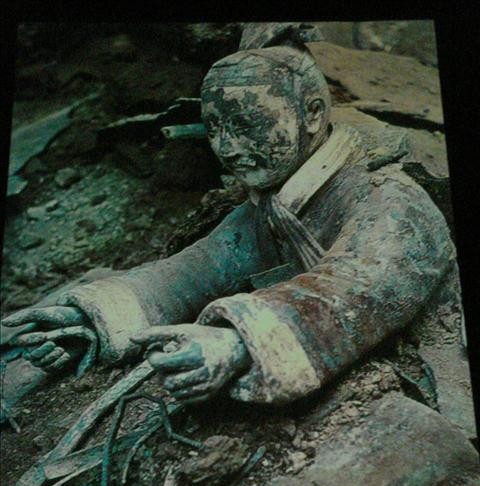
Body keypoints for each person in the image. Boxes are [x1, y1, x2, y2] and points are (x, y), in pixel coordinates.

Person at [2, 24, 456, 411]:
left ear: (313, 114)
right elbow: (190, 273)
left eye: (247, 124)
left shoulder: (391, 202)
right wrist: (94, 320)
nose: (228, 147)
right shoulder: (268, 208)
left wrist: (238, 343)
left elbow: (353, 289)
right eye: (216, 129)